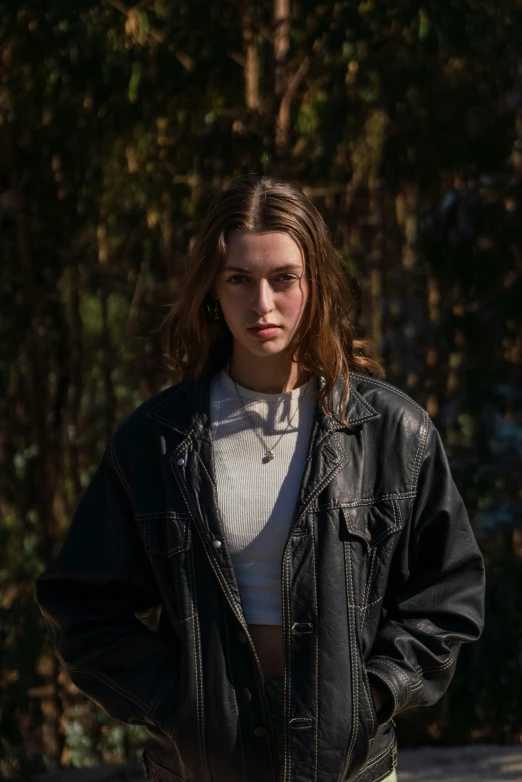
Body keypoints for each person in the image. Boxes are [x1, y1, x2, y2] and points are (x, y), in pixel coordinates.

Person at [36, 175, 485, 782]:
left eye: (284, 278)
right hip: (199, 765)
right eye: (239, 279)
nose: (263, 304)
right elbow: (82, 610)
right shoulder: (157, 441)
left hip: (349, 767)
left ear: (316, 284)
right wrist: (177, 706)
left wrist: (371, 696)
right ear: (211, 291)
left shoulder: (392, 433)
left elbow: (449, 595)